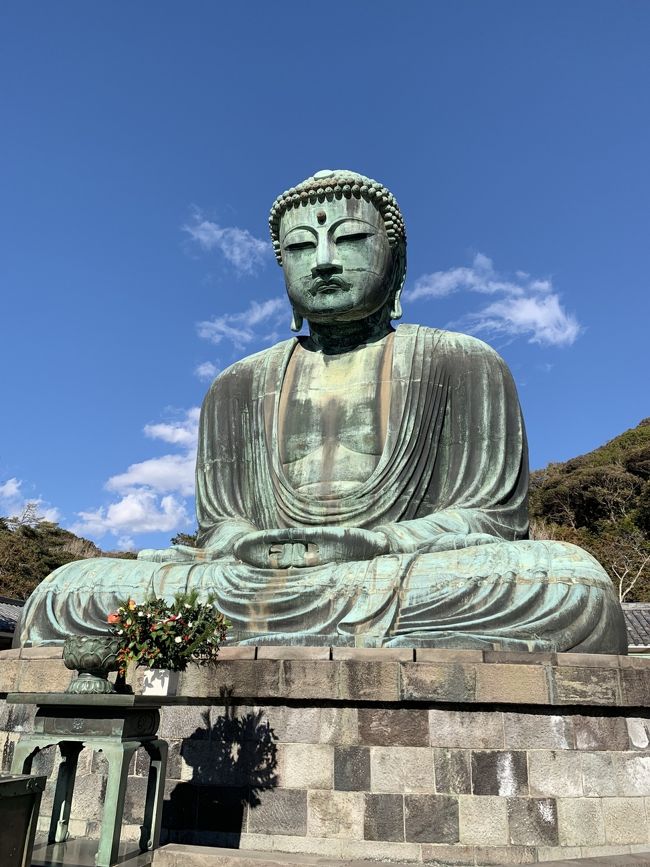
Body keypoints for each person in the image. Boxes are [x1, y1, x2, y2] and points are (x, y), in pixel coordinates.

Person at [19, 170, 627, 652]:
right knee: (65, 592)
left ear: (397, 261)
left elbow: (491, 520)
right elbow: (221, 528)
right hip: (253, 580)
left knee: (570, 585)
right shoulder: (236, 386)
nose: (326, 261)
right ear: (281, 265)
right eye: (301, 247)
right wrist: (250, 546)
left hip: (397, 571)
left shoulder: (462, 361)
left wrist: (372, 543)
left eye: (353, 239)